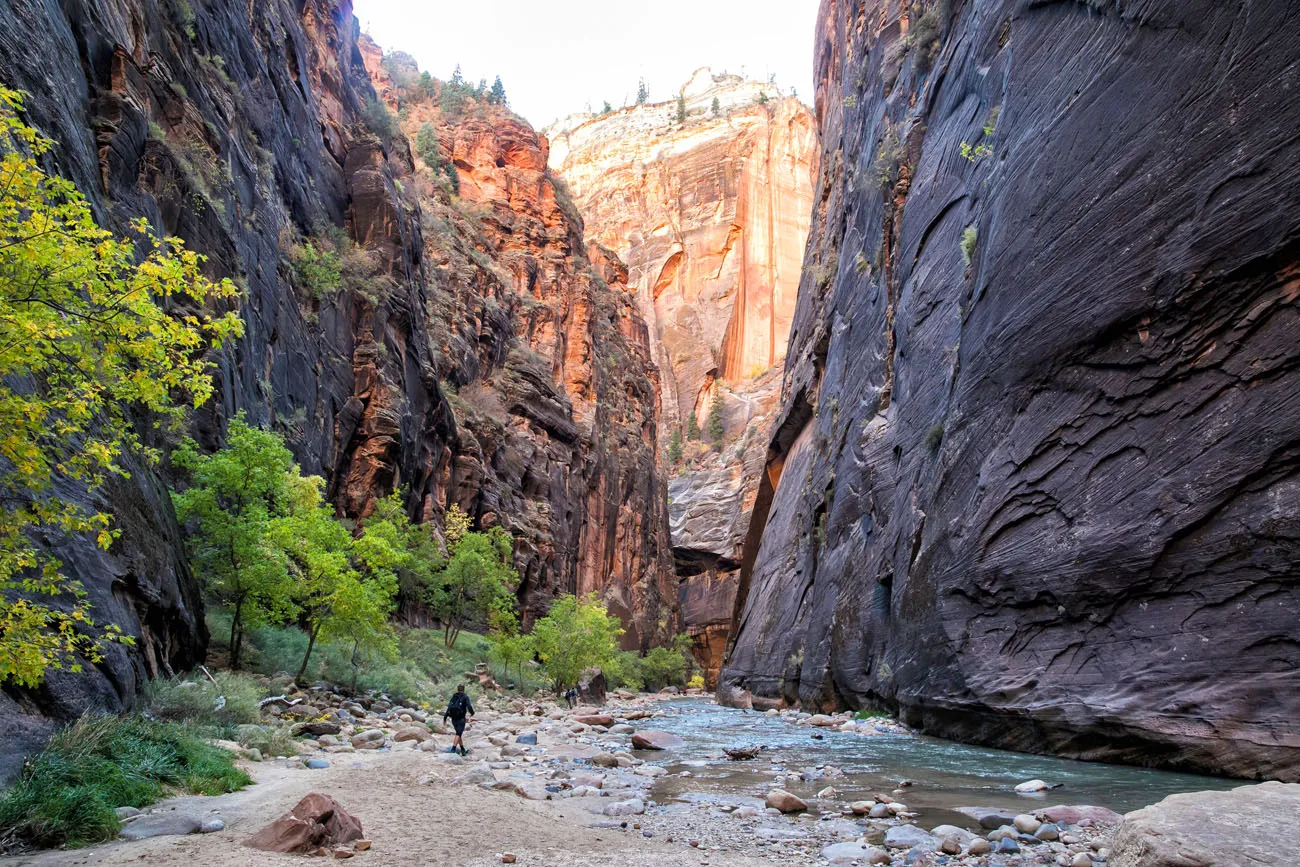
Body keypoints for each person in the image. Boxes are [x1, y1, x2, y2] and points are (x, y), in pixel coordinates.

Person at [443, 684, 475, 755]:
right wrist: (472, 713)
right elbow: (469, 706)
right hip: (461, 718)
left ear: (457, 689)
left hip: (453, 719)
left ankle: (462, 749)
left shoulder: (454, 696)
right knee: (458, 733)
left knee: (458, 733)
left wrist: (445, 717)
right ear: (463, 689)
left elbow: (449, 707)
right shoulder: (465, 696)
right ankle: (453, 749)